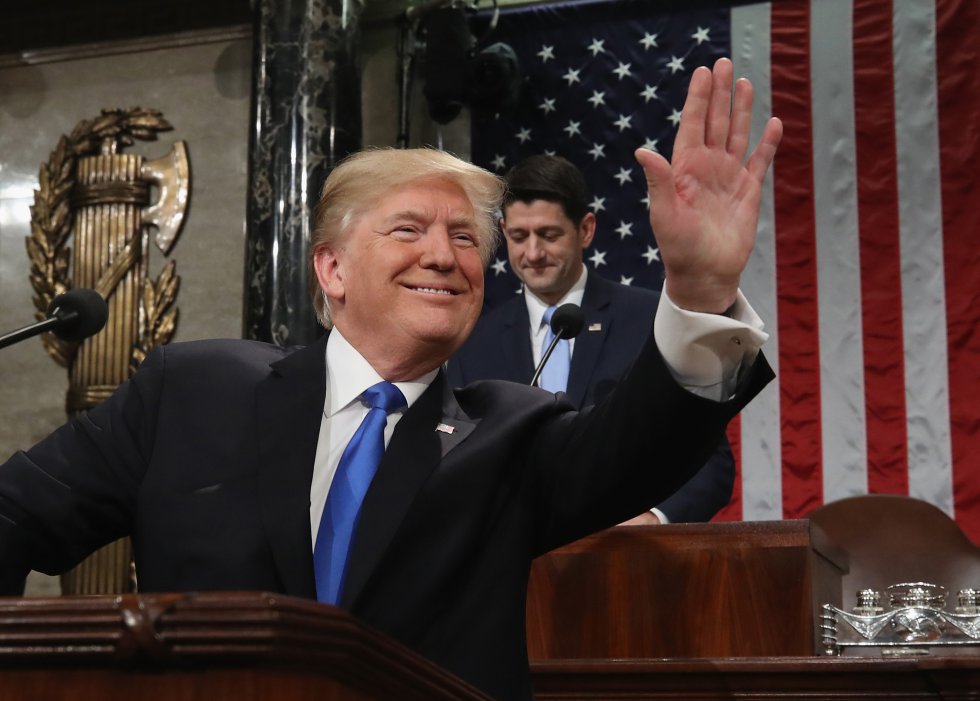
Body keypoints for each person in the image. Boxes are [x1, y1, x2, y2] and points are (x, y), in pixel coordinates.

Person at [0, 58, 781, 700]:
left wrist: (700, 288)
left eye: (467, 239)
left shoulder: (510, 433)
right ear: (331, 268)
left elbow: (647, 442)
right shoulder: (191, 392)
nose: (444, 256)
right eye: (408, 229)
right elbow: (14, 513)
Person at [447, 154, 735, 524]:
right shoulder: (473, 340)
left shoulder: (652, 320)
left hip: (632, 558)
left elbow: (710, 460)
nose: (532, 254)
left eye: (549, 235)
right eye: (519, 237)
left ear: (585, 230)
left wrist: (654, 518)